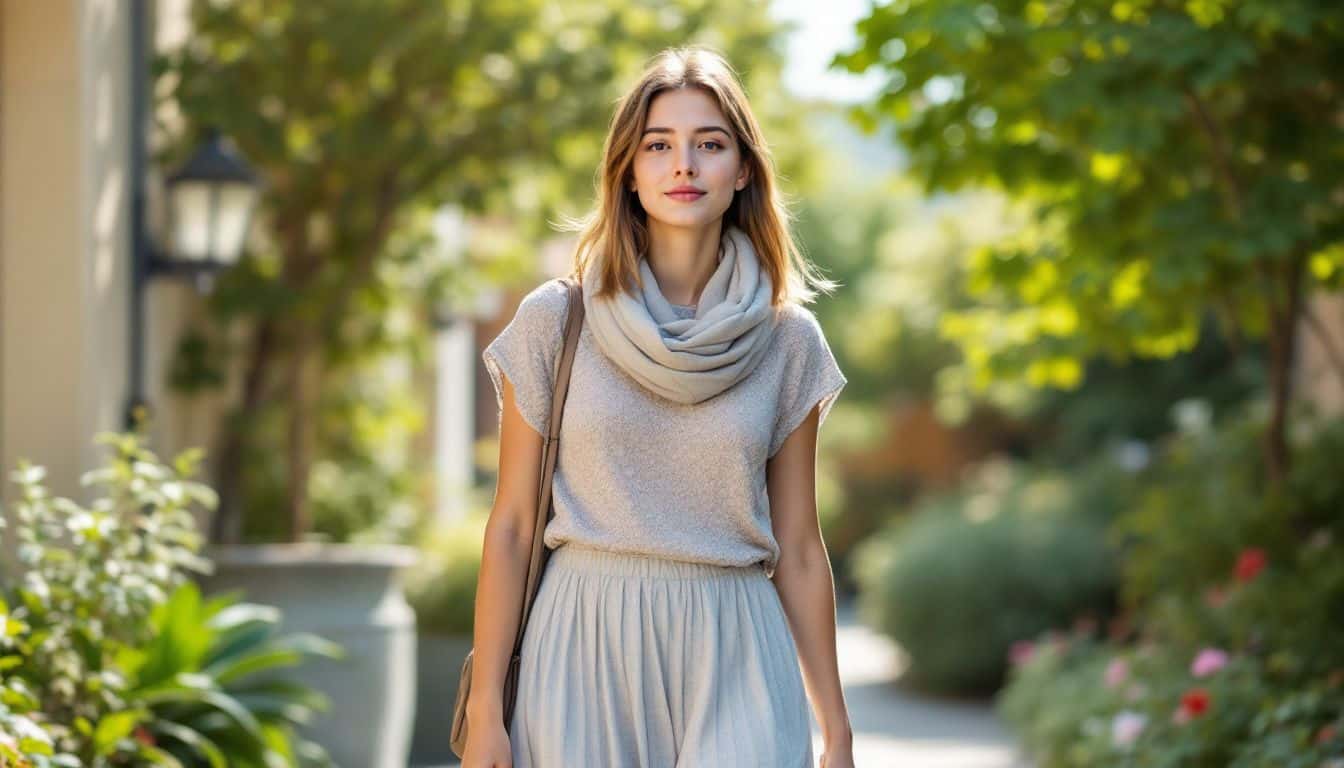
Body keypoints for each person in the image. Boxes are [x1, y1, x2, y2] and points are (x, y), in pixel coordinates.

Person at [462, 45, 855, 768]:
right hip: (582, 640)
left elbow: (800, 544)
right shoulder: (556, 320)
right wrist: (486, 707)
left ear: (742, 171)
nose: (684, 165)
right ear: (630, 172)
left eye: (709, 144)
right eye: (658, 145)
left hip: (738, 640)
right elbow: (513, 524)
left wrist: (837, 727)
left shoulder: (787, 337)